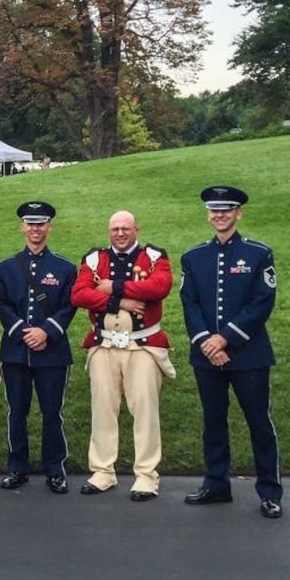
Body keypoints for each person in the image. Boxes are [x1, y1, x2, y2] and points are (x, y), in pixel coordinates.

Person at [180, 186, 282, 519]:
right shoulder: (193, 257)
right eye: (214, 210)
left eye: (227, 210)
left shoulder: (258, 253)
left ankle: (269, 491)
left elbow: (262, 302)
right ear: (208, 214)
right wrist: (205, 342)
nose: (219, 215)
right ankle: (217, 483)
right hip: (206, 356)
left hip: (249, 354)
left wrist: (225, 340)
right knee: (213, 421)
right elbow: (190, 303)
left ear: (239, 213)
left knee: (259, 423)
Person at [71, 210, 175, 501]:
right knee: (103, 409)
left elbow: (159, 287)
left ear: (136, 229)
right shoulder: (95, 258)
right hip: (104, 345)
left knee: (144, 410)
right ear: (109, 232)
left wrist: (112, 286)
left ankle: (146, 475)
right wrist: (122, 301)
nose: (120, 233)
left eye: (125, 228)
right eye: (115, 228)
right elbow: (79, 294)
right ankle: (103, 470)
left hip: (141, 345)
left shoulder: (153, 255)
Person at [0, 202, 78, 494]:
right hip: (16, 351)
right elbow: (1, 303)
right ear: (22, 227)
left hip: (52, 352)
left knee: (52, 412)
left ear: (49, 227)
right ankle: (17, 467)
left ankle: (55, 469)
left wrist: (46, 331)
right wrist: (21, 331)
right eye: (30, 223)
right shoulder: (6, 267)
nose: (35, 229)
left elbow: (70, 305)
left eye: (40, 223)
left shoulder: (65, 268)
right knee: (17, 411)